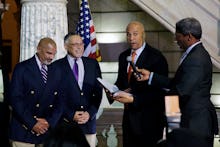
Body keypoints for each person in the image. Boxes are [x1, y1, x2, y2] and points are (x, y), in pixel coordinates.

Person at [122, 17, 219, 147]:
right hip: (189, 120)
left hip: (195, 123)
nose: (176, 40)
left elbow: (180, 91)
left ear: (189, 37)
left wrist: (136, 98)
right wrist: (151, 76)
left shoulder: (196, 58)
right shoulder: (194, 54)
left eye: (178, 36)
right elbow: (178, 83)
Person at [110, 21, 168, 147]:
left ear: (143, 35)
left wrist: (133, 99)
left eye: (135, 34)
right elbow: (121, 81)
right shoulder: (123, 56)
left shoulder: (157, 57)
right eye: (128, 34)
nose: (131, 38)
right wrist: (111, 90)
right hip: (129, 119)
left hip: (149, 120)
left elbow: (160, 93)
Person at [8, 37, 63, 147]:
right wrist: (32, 123)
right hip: (23, 131)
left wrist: (49, 122)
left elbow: (61, 100)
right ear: (38, 49)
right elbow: (15, 99)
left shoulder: (56, 70)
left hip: (47, 132)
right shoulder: (21, 68)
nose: (51, 57)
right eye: (48, 53)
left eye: (54, 54)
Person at [54, 33, 103, 147]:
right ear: (66, 46)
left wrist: (90, 113)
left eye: (81, 44)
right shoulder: (56, 66)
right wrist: (70, 114)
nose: (79, 47)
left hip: (88, 125)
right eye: (75, 44)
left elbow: (98, 92)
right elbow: (54, 96)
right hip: (65, 125)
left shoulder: (92, 64)